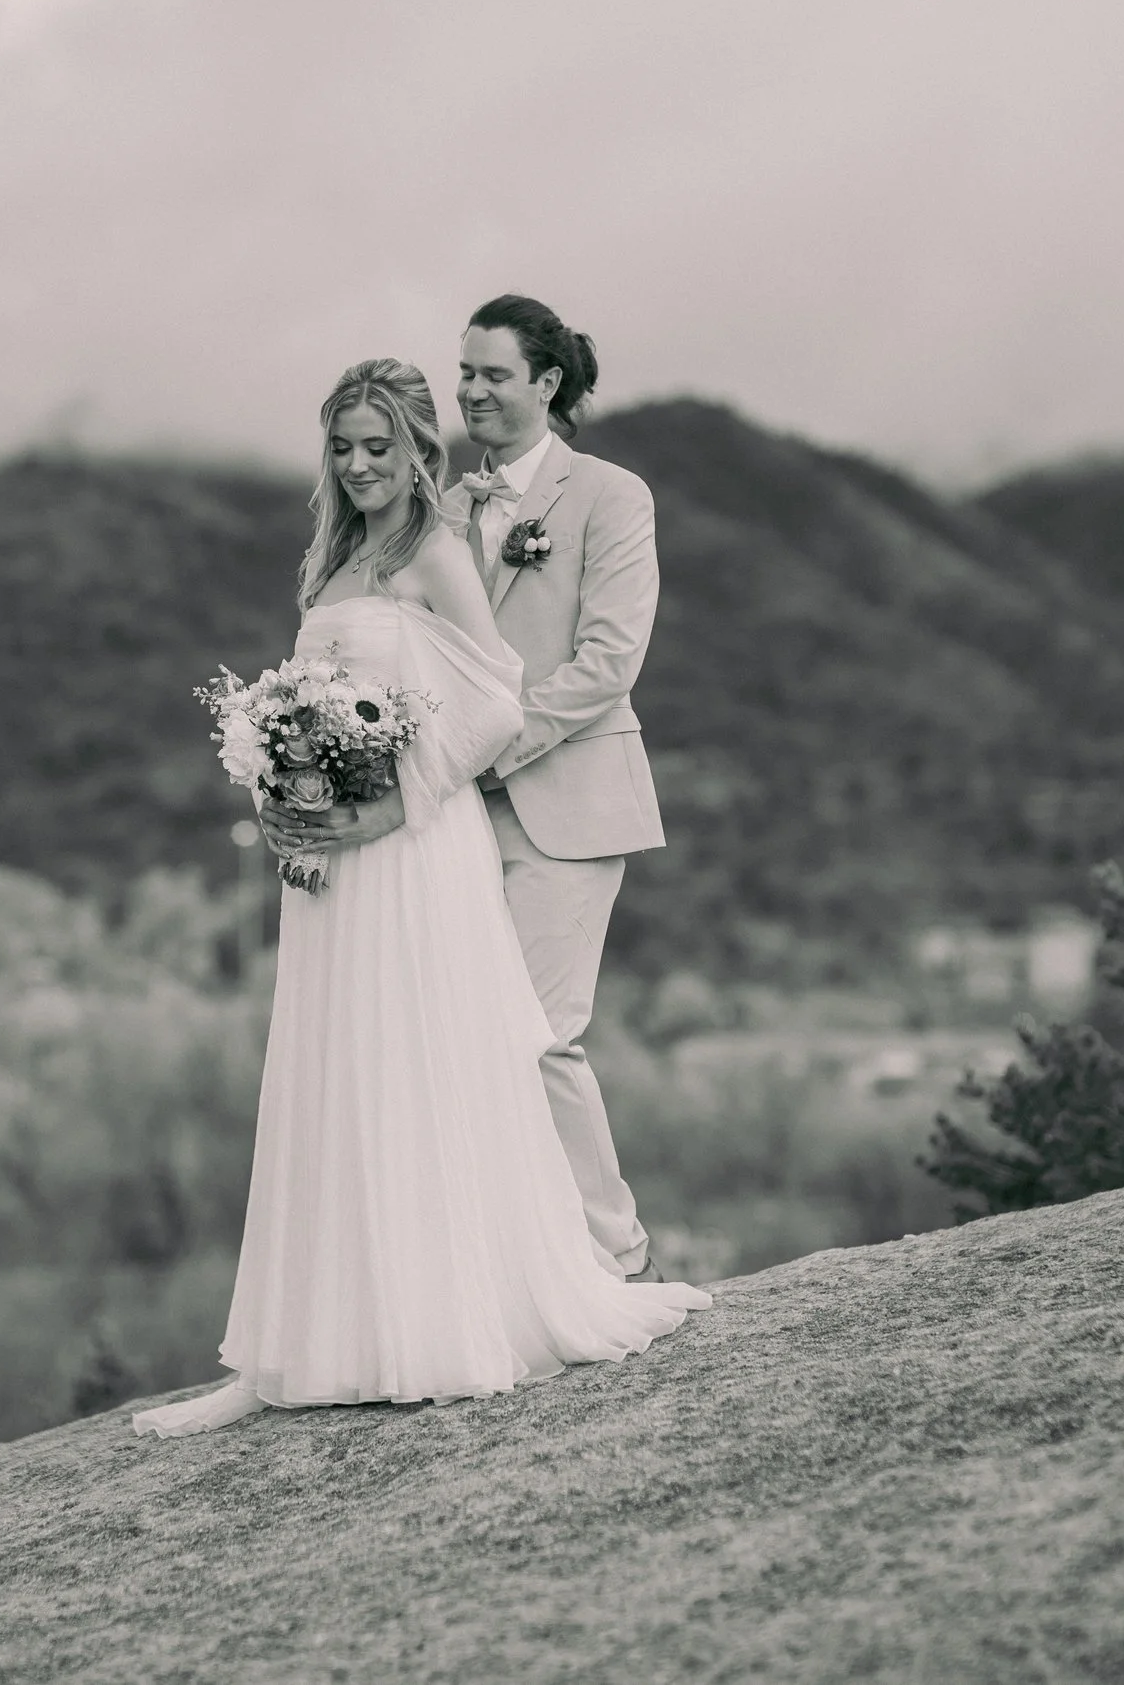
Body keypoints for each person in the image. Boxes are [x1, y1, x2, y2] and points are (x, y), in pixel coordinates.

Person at [130, 359, 704, 1438]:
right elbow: (312, 710)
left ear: (416, 451)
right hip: (330, 866)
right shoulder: (330, 562)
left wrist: (392, 804)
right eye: (343, 447)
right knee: (330, 1068)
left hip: (410, 851)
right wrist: (280, 784)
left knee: (411, 1063)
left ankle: (433, 1323)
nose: (359, 465)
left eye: (378, 446)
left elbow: (496, 702)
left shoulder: (435, 553)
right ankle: (295, 1348)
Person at [269, 297, 668, 1280]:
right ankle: (498, 1266)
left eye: (493, 374)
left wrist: (471, 751)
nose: (473, 392)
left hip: (565, 802)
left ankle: (612, 1253)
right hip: (448, 823)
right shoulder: (434, 511)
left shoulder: (610, 497)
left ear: (546, 383)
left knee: (537, 1037)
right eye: (464, 375)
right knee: (453, 1036)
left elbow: (608, 663)